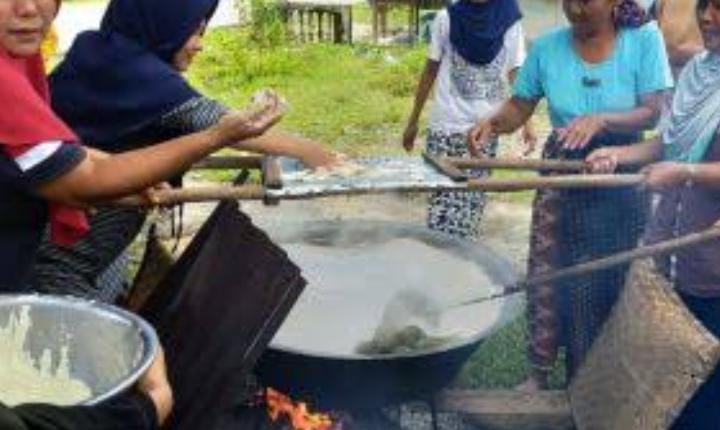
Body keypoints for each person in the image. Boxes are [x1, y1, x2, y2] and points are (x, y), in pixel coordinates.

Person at [30, 0, 339, 301]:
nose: (199, 45)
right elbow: (221, 126)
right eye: (193, 32)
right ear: (164, 24)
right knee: (86, 341)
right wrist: (314, 153)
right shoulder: (137, 74)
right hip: (61, 254)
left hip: (87, 243)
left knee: (115, 302)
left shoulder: (101, 50)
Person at [467, 0, 672, 389]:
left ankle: (599, 379)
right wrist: (492, 124)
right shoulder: (547, 48)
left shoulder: (644, 39)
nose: (576, 8)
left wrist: (603, 119)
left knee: (609, 275)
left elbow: (652, 111)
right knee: (549, 271)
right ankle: (540, 372)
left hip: (621, 169)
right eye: (569, 0)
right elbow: (519, 106)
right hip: (562, 169)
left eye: (587, 0)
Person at [587, 1, 720, 426]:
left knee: (706, 394)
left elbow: (680, 162)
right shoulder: (699, 71)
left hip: (712, 261)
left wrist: (685, 171)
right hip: (671, 248)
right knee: (668, 382)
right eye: (705, 6)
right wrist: (619, 153)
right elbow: (667, 142)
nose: (707, 17)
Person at [402, 0, 535, 240]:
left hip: (486, 129)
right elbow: (430, 69)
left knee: (472, 202)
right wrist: (413, 121)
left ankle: (461, 268)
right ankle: (440, 265)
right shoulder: (446, 17)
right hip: (446, 127)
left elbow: (515, 71)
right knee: (442, 204)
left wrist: (527, 122)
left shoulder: (510, 19)